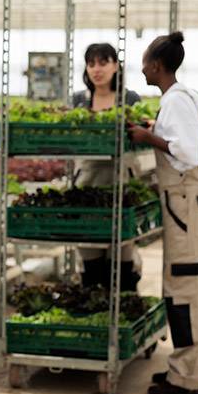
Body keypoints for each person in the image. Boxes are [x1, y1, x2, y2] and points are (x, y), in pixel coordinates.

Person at [129, 31, 198, 394]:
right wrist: (155, 130)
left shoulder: (176, 100)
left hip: (186, 204)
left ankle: (187, 377)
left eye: (145, 62)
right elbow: (185, 141)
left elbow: (189, 154)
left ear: (157, 65)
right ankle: (183, 366)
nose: (142, 68)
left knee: (187, 287)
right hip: (191, 204)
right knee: (185, 288)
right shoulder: (187, 95)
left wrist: (148, 139)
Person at [71, 43, 143, 292]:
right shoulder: (79, 101)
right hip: (87, 189)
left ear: (115, 66)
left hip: (121, 189)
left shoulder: (130, 99)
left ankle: (122, 320)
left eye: (103, 62)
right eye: (91, 64)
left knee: (123, 270)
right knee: (92, 271)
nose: (96, 69)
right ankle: (96, 319)